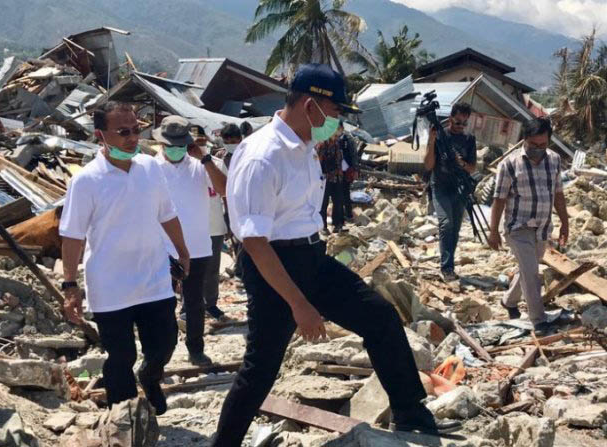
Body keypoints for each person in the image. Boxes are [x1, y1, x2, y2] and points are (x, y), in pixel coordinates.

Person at [211, 63, 461, 446]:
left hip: (311, 258)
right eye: (335, 112)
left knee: (380, 318)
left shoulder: (306, 147)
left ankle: (411, 416)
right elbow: (255, 243)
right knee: (261, 368)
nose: (337, 121)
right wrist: (299, 305)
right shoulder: (263, 155)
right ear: (311, 105)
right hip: (273, 267)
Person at [59, 101, 189, 416]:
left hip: (153, 277)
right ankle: (126, 417)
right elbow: (73, 235)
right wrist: (70, 285)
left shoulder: (150, 167)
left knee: (165, 342)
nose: (133, 137)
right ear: (100, 135)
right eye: (123, 132)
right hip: (109, 285)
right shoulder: (87, 180)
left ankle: (150, 377)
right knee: (121, 355)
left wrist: (183, 252)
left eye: (136, 130)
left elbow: (167, 214)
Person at [153, 116, 227, 366]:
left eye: (180, 144)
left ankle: (196, 349)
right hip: (162, 248)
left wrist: (204, 158)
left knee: (195, 302)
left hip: (197, 246)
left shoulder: (202, 165)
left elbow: (224, 189)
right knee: (162, 302)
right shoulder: (149, 167)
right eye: (170, 145)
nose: (175, 149)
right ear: (162, 144)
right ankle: (161, 352)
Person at [487, 117, 569, 335]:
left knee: (527, 268)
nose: (538, 150)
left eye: (543, 145)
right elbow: (499, 199)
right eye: (533, 145)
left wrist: (565, 222)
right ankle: (539, 320)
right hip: (517, 228)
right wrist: (493, 231)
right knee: (532, 272)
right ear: (524, 140)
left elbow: (558, 194)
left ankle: (509, 301)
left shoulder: (554, 160)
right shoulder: (510, 164)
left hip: (542, 227)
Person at [424, 103, 477, 282]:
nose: (460, 126)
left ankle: (450, 265)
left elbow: (472, 168)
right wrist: (431, 142)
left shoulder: (469, 139)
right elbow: (428, 165)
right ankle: (446, 267)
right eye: (457, 122)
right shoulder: (440, 136)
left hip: (460, 188)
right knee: (445, 224)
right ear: (450, 118)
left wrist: (460, 162)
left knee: (454, 228)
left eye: (464, 123)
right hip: (440, 186)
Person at [202, 124, 240, 320]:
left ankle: (211, 304)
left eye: (202, 142)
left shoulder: (216, 164)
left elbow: (226, 193)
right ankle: (188, 307)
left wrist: (230, 221)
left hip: (216, 223)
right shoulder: (169, 168)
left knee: (212, 268)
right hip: (190, 228)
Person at [317, 133, 345, 233]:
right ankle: (323, 226)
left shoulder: (337, 144)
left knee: (338, 202)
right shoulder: (322, 144)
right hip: (325, 179)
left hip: (337, 177)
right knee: (323, 203)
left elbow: (339, 160)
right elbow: (318, 162)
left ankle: (337, 225)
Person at [337, 121, 358, 220]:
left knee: (345, 192)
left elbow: (354, 155)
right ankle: (341, 215)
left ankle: (348, 214)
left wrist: (355, 169)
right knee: (338, 194)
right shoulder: (333, 138)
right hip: (336, 171)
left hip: (346, 171)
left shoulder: (348, 139)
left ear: (341, 127)